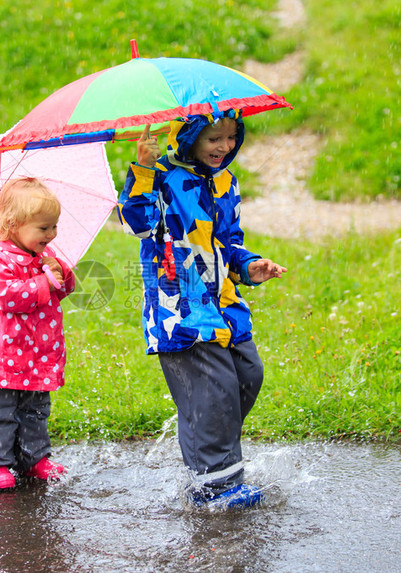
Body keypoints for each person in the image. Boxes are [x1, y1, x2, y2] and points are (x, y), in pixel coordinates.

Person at [118, 111, 287, 508]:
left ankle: (209, 448)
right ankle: (212, 487)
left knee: (247, 375)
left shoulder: (226, 181)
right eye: (214, 138)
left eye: (231, 137)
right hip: (180, 304)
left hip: (224, 303)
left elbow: (230, 240)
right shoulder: (160, 175)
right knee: (214, 391)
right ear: (190, 135)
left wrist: (249, 265)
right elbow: (138, 224)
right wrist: (142, 169)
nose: (225, 146)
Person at [0, 176, 74, 490]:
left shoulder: (37, 258)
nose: (51, 235)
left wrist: (61, 274)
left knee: (34, 409)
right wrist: (44, 283)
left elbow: (57, 292)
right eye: (43, 228)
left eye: (54, 226)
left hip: (33, 355)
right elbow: (8, 297)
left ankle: (33, 458)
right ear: (13, 224)